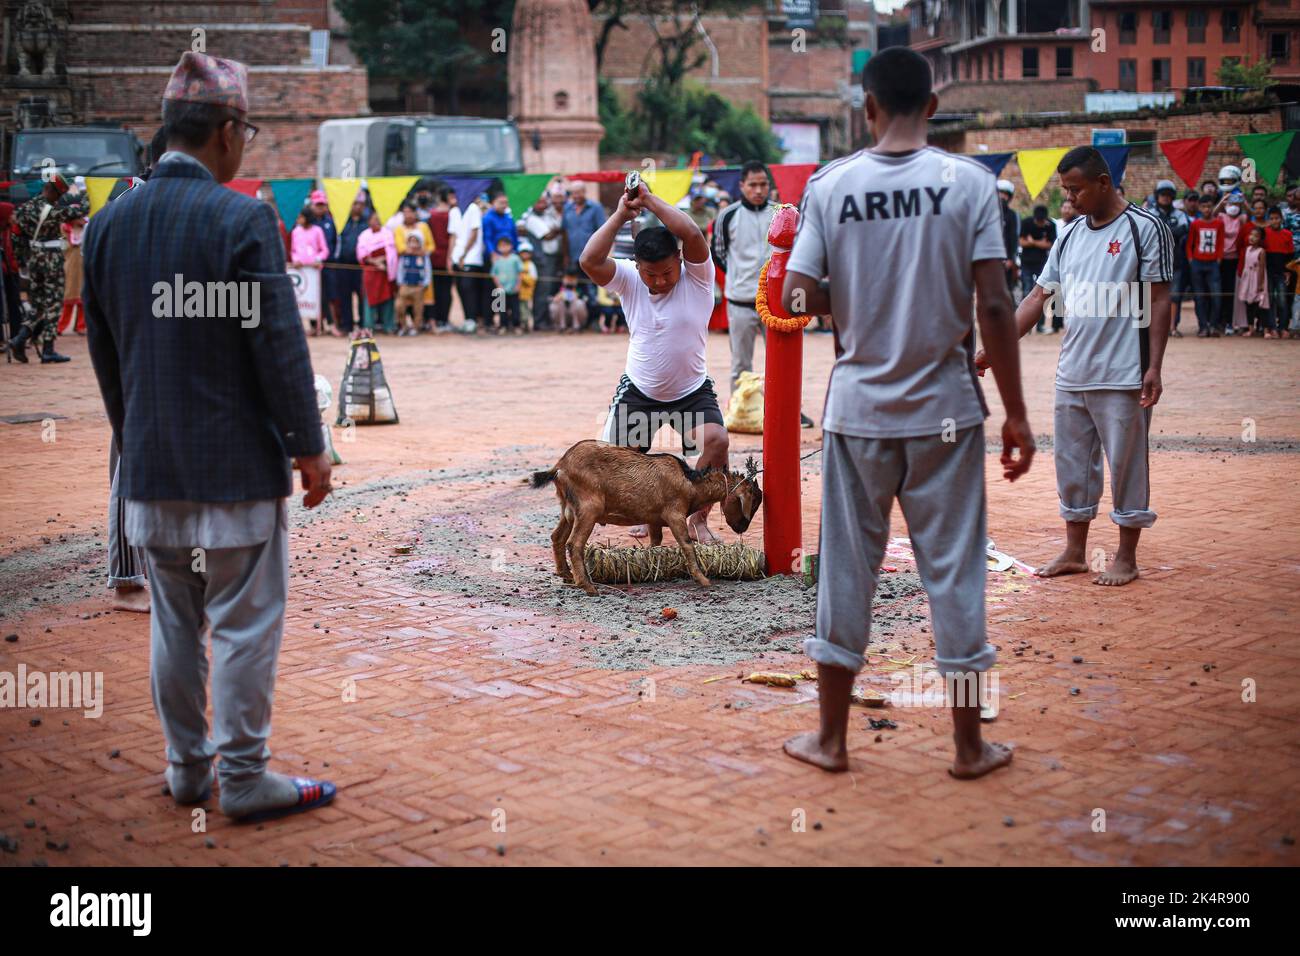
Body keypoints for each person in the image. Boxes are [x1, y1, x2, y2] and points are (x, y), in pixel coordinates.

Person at [82, 51, 335, 822]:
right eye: (247, 131)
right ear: (226, 129)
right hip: (234, 477)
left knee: (174, 621)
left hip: (151, 473)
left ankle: (188, 770)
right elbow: (278, 348)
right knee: (244, 625)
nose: (246, 146)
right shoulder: (241, 217)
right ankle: (247, 777)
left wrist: (138, 443)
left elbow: (107, 360)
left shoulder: (107, 225)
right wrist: (309, 447)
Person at [778, 47, 1032, 779]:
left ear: (867, 107)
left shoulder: (832, 185)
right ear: (933, 105)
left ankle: (829, 741)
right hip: (947, 409)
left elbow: (795, 296)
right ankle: (967, 747)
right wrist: (1015, 413)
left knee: (846, 574)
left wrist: (850, 293)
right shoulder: (970, 183)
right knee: (954, 575)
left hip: (858, 412)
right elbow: (991, 303)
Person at [982, 145, 1171, 588]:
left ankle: (1126, 556)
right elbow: (1036, 298)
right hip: (1073, 371)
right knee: (1072, 464)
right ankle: (1074, 552)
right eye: (1066, 190)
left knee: (1127, 464)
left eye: (1076, 189)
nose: (1070, 199)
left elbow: (1161, 300)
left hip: (1125, 371)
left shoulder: (1146, 229)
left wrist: (1155, 366)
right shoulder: (1067, 234)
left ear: (1104, 183)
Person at [580, 179, 731, 544]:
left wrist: (649, 200)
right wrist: (620, 214)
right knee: (611, 471)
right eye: (651, 275)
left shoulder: (697, 277)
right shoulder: (629, 279)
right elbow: (589, 261)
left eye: (666, 273)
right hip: (639, 392)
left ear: (680, 261)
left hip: (691, 393)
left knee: (717, 440)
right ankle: (645, 513)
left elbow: (692, 233)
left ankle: (696, 518)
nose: (660, 281)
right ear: (637, 267)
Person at [5, 173, 89, 363]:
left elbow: (16, 234)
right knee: (53, 303)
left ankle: (19, 339)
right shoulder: (53, 211)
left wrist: (21, 261)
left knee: (38, 304)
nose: (59, 199)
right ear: (51, 190)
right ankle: (48, 348)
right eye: (58, 194)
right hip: (51, 259)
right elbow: (84, 209)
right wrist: (82, 189)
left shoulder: (25, 208)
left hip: (34, 259)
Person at [1152, 181, 1190, 339]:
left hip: (1176, 261)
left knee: (1175, 296)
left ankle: (1173, 327)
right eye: (1162, 195)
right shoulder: (1150, 212)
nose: (1165, 198)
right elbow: (1149, 232)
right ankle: (1154, 328)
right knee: (1154, 297)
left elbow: (1183, 229)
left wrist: (1163, 231)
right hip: (1154, 262)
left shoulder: (1180, 214)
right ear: (1157, 196)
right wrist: (1171, 232)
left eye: (1168, 195)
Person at [521, 193, 563, 325]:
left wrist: (557, 229)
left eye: (544, 202)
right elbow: (548, 235)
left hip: (554, 257)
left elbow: (555, 228)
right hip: (542, 259)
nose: (542, 205)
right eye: (538, 202)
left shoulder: (548, 215)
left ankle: (548, 320)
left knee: (551, 289)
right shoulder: (531, 218)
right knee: (542, 290)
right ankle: (540, 322)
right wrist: (559, 230)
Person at [328, 197, 367, 335]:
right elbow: (333, 241)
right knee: (344, 296)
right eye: (355, 203)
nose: (357, 207)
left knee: (362, 295)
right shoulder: (341, 222)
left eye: (361, 204)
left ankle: (363, 325)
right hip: (343, 265)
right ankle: (347, 325)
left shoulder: (367, 223)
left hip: (361, 266)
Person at [563, 181, 606, 304]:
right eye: (573, 193)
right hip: (573, 257)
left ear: (584, 192)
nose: (575, 196)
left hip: (591, 257)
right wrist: (566, 256)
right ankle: (580, 320)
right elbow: (565, 232)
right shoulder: (567, 208)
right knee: (576, 291)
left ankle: (593, 320)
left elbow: (603, 232)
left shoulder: (595, 208)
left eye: (578, 193)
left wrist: (602, 254)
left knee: (592, 289)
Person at [1187, 196, 1225, 337]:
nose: (1207, 209)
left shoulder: (1219, 223)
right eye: (1204, 207)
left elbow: (1221, 242)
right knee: (1199, 297)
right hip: (1197, 263)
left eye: (1209, 206)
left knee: (1216, 296)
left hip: (1213, 263)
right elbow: (1190, 243)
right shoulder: (1195, 224)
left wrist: (1219, 259)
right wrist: (1191, 259)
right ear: (1200, 208)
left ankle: (1213, 325)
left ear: (1212, 206)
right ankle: (1203, 326)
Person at [451, 189, 486, 331]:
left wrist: (463, 255)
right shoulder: (453, 211)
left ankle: (476, 319)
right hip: (457, 256)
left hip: (472, 258)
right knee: (460, 289)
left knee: (470, 289)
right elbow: (452, 236)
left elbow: (474, 233)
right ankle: (467, 319)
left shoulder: (473, 209)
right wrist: (451, 257)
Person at [1019, 204, 1057, 332]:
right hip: (1026, 263)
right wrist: (1040, 242)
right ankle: (1025, 327)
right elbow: (1021, 241)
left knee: (1042, 296)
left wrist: (1032, 242)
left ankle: (1040, 326)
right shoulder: (1026, 223)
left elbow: (1050, 245)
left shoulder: (1050, 225)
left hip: (1042, 264)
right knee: (1026, 292)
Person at [357, 211, 396, 334]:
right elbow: (361, 253)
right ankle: (369, 327)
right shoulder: (364, 235)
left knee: (388, 298)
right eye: (374, 219)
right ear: (369, 221)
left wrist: (383, 260)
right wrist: (374, 262)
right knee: (369, 300)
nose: (377, 221)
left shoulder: (388, 234)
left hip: (385, 271)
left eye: (379, 219)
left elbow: (392, 251)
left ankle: (388, 326)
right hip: (371, 272)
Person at [1214, 190, 1248, 334]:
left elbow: (1250, 213)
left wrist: (1244, 201)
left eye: (1236, 204)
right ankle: (1219, 321)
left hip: (1234, 260)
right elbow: (1214, 212)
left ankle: (1229, 321)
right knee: (1220, 291)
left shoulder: (1241, 218)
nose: (1233, 206)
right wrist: (1223, 199)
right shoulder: (1221, 216)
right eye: (1231, 204)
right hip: (1220, 260)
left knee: (1231, 291)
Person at [1237, 225, 1273, 337]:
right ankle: (1251, 328)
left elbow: (1262, 269)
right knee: (1249, 304)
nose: (1252, 237)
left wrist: (1261, 284)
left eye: (1256, 236)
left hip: (1257, 279)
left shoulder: (1261, 251)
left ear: (1261, 239)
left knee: (1261, 305)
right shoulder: (1247, 249)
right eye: (1251, 235)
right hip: (1248, 280)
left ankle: (1266, 330)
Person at [394, 231, 431, 336]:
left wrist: (425, 283)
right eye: (411, 241)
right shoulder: (404, 256)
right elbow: (400, 269)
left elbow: (428, 270)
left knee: (418, 309)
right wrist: (400, 282)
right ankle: (403, 326)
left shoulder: (424, 256)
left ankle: (415, 327)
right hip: (405, 285)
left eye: (416, 242)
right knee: (399, 306)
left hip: (418, 286)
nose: (413, 244)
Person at [427, 188, 453, 331]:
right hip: (447, 257)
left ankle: (434, 320)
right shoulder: (452, 215)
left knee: (434, 290)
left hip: (433, 257)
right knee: (446, 290)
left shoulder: (431, 215)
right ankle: (443, 320)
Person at [1264, 205, 1293, 327]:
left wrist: (1288, 271)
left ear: (1281, 219)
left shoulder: (1287, 234)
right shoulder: (1265, 233)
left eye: (1277, 218)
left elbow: (1290, 255)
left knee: (1282, 300)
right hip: (1268, 271)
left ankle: (1283, 326)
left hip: (1282, 272)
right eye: (1272, 218)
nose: (1274, 221)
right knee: (1269, 300)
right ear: (1269, 220)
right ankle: (1271, 327)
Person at [489, 235, 523, 335]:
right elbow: (494, 275)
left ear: (511, 246)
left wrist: (518, 285)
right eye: (501, 246)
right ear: (498, 248)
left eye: (506, 245)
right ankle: (503, 326)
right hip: (501, 291)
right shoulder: (497, 261)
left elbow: (520, 273)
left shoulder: (515, 259)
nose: (504, 248)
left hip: (513, 289)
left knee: (516, 310)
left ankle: (517, 326)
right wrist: (499, 286)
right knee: (502, 310)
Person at [997, 179, 1019, 294]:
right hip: (989, 258)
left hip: (1006, 259)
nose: (1002, 197)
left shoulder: (1012, 215)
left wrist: (1010, 258)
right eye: (1000, 193)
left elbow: (1013, 238)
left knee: (1006, 290)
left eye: (1005, 194)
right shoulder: (988, 212)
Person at [481, 191, 518, 261]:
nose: (504, 205)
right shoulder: (488, 218)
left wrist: (515, 252)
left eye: (506, 203)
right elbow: (487, 238)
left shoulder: (509, 218)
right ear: (493, 202)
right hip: (493, 257)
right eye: (501, 203)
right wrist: (492, 253)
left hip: (509, 256)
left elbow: (514, 236)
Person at [517, 238, 538, 332]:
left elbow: (533, 279)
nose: (524, 255)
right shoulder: (517, 264)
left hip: (527, 293)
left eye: (527, 253)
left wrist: (523, 277)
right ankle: (520, 324)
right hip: (517, 292)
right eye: (522, 253)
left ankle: (527, 326)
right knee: (519, 310)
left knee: (527, 309)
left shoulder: (531, 265)